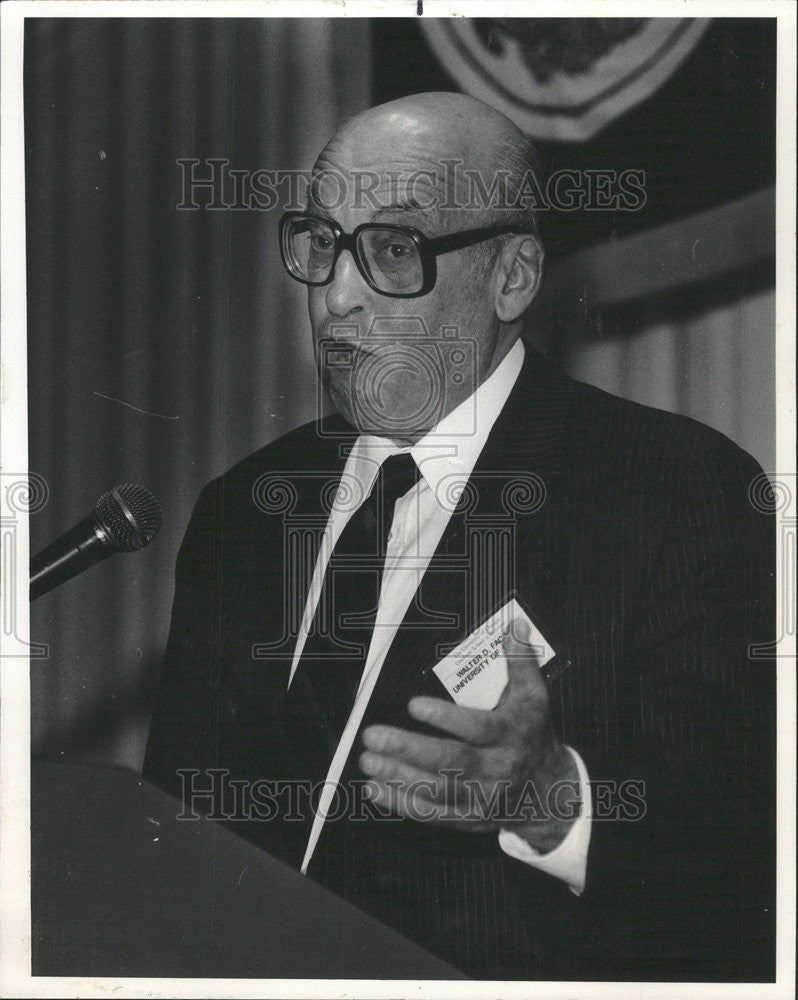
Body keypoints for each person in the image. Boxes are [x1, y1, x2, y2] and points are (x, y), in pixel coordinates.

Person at [143, 92, 775, 981]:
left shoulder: (673, 489)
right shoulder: (243, 510)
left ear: (512, 276)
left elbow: (747, 860)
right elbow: (175, 839)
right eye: (321, 245)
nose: (336, 297)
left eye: (393, 250)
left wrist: (554, 801)